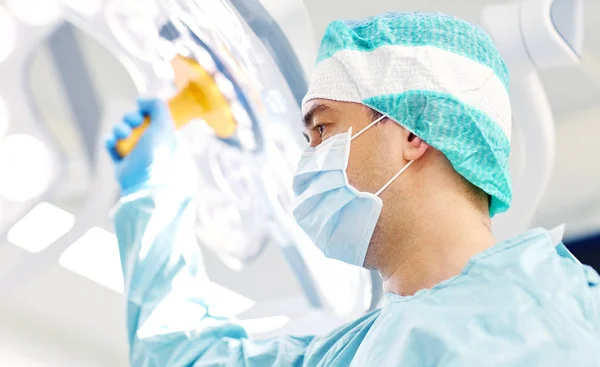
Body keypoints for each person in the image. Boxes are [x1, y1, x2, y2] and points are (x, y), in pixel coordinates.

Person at [106, 12, 600, 367]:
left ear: (413, 133)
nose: (306, 163)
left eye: (321, 130)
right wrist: (152, 194)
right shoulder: (361, 347)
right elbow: (180, 356)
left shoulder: (541, 325)